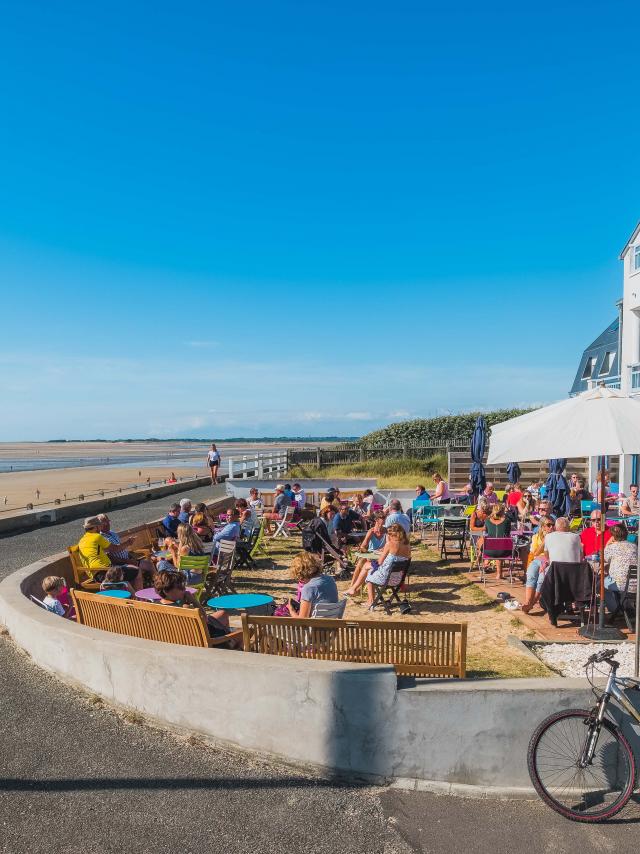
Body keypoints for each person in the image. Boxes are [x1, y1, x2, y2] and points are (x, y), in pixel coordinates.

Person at [153, 570, 240, 648]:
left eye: (183, 586)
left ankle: (228, 637)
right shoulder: (185, 610)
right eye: (180, 587)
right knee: (241, 634)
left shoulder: (154, 605)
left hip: (175, 640)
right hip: (201, 641)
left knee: (222, 613)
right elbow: (205, 620)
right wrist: (194, 601)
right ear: (167, 591)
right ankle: (231, 645)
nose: (184, 589)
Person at [78, 517, 143, 589]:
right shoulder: (97, 537)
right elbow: (115, 549)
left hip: (96, 574)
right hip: (105, 572)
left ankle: (132, 596)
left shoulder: (81, 541)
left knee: (130, 571)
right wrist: (128, 542)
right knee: (137, 571)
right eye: (99, 526)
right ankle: (138, 597)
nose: (101, 527)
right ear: (96, 527)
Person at [286, 552, 338, 618]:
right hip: (331, 625)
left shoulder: (308, 588)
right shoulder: (330, 579)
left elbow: (302, 621)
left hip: (314, 626)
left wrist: (291, 611)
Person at [347, 512, 387, 593]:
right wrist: (367, 552)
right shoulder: (371, 531)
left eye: (384, 518)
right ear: (376, 520)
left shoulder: (386, 531)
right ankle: (352, 586)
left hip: (382, 556)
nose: (383, 520)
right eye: (381, 518)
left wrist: (383, 549)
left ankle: (355, 587)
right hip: (372, 555)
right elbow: (363, 546)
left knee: (363, 562)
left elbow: (389, 545)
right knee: (360, 562)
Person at [522, 516, 554, 613]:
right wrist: (545, 541)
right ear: (543, 527)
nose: (551, 527)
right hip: (538, 559)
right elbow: (535, 553)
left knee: (541, 579)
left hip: (549, 560)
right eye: (549, 525)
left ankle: (531, 604)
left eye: (553, 525)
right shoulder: (536, 537)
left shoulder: (556, 537)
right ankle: (527, 602)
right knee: (531, 574)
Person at [603, 524, 637, 613]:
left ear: (613, 536)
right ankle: (624, 607)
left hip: (620, 586)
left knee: (600, 584)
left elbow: (604, 559)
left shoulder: (611, 547)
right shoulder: (634, 546)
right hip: (636, 585)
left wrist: (608, 543)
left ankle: (616, 608)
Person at [482, 503, 512, 580]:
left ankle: (486, 564)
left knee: (495, 544)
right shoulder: (507, 521)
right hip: (503, 551)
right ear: (502, 511)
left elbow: (487, 532)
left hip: (488, 551)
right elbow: (508, 534)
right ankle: (499, 574)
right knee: (501, 546)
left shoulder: (487, 520)